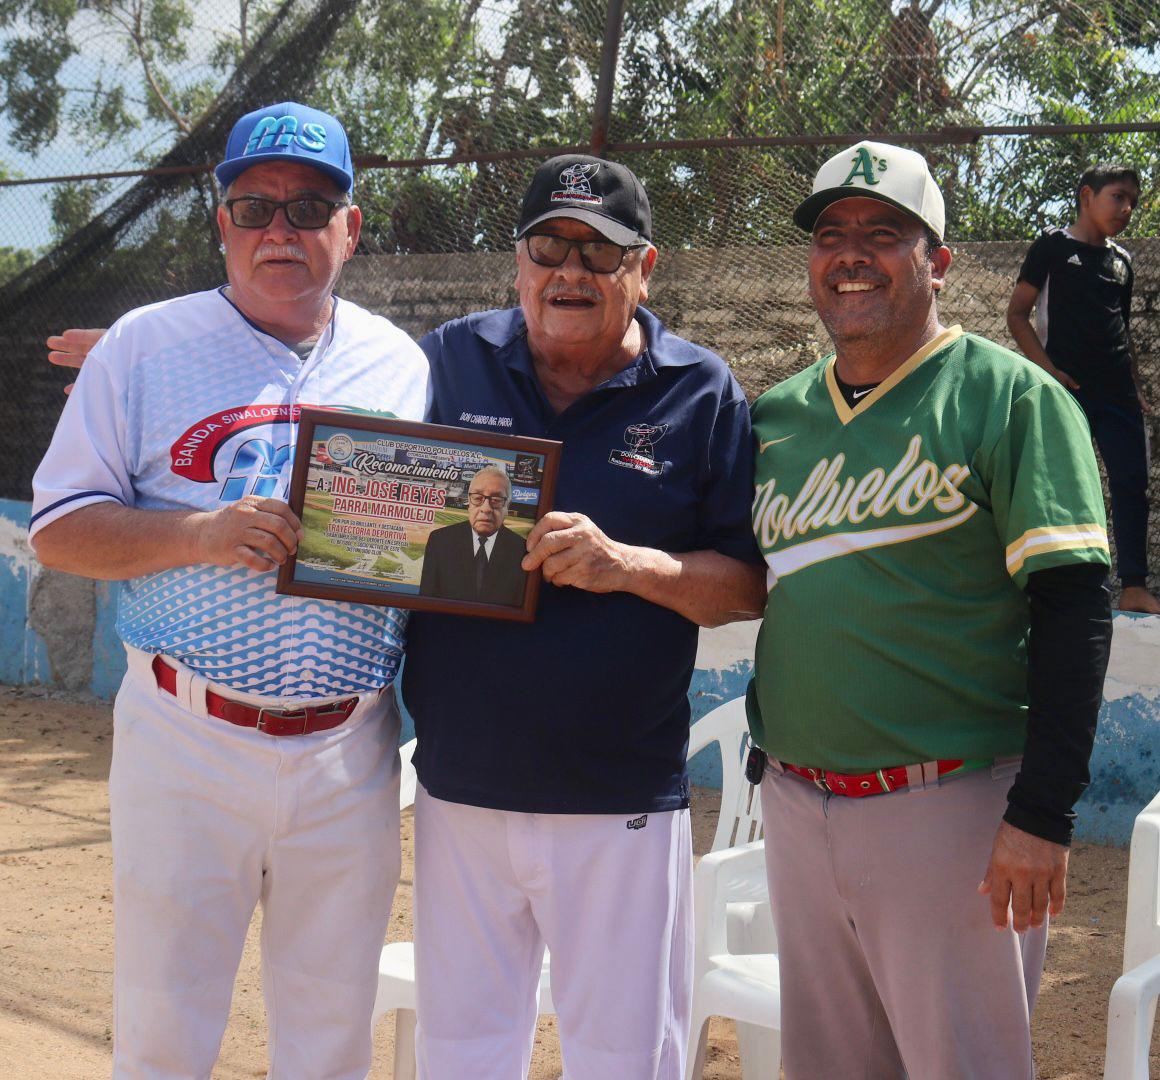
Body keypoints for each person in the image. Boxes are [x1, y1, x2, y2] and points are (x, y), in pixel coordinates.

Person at [44, 152, 767, 1079]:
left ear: (645, 267)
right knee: (457, 1054)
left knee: (626, 1058)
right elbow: (302, 372)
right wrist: (142, 354)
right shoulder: (450, 361)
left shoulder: (700, 389)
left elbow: (744, 585)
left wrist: (632, 566)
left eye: (599, 251)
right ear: (518, 261)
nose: (570, 272)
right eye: (548, 247)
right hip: (457, 790)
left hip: (616, 792)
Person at [29, 101, 429, 1079]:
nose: (279, 229)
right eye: (254, 208)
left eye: (309, 207)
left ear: (350, 227)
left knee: (330, 1039)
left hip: (350, 747)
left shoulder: (402, 364)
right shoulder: (143, 347)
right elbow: (60, 528)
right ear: (222, 223)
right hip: (186, 738)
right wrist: (197, 535)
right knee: (164, 1034)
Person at [747, 141, 1113, 1078]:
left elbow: (1076, 604)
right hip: (794, 801)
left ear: (938, 262)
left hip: (949, 809)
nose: (851, 252)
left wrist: (1044, 814)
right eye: (831, 233)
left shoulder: (1013, 396)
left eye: (884, 233)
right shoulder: (777, 417)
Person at [1007, 164, 1158, 614]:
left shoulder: (1122, 261)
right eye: (1118, 197)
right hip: (1066, 390)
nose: (1127, 208)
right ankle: (1058, 587)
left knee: (1131, 481)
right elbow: (1017, 315)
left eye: (1133, 201)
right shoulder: (1052, 247)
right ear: (1087, 196)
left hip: (1118, 394)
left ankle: (1134, 585)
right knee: (1061, 486)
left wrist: (1136, 386)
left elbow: (1122, 329)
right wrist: (1049, 373)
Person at [419, 464, 528, 606]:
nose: (486, 508)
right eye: (477, 498)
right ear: (468, 503)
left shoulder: (522, 550)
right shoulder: (439, 541)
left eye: (496, 500)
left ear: (507, 506)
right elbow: (426, 602)